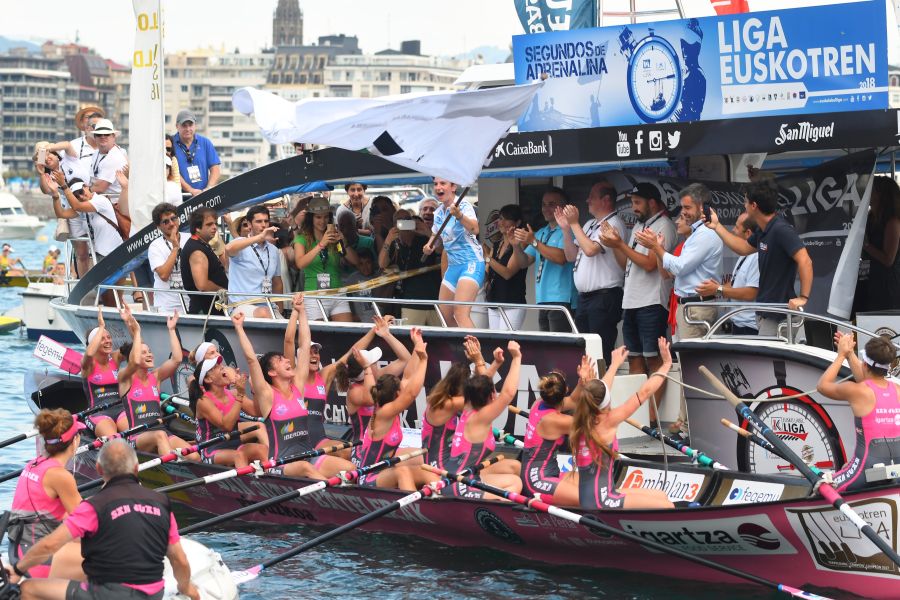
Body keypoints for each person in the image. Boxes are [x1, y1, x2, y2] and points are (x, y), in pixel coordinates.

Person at [6, 439, 200, 600]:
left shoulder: (94, 506)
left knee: (28, 589)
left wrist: (19, 569)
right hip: (152, 593)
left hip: (108, 594)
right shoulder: (162, 502)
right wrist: (187, 588)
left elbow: (50, 545)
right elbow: (179, 559)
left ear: (98, 469)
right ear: (136, 468)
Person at [233, 301, 350, 479]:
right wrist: (239, 328)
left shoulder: (298, 389)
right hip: (281, 463)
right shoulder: (267, 394)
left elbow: (304, 346)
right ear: (271, 372)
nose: (288, 361)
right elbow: (251, 360)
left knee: (350, 468)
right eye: (281, 360)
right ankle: (329, 493)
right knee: (305, 469)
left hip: (308, 457)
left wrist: (301, 311)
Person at [600, 183, 675, 428]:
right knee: (634, 359)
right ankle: (635, 417)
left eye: (638, 203)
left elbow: (651, 264)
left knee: (653, 360)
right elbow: (626, 264)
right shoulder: (641, 226)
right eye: (632, 203)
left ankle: (652, 419)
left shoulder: (664, 226)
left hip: (652, 301)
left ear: (652, 202)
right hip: (631, 300)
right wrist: (615, 245)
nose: (633, 208)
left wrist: (620, 245)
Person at [571, 339, 675, 510]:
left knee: (661, 495)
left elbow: (601, 389)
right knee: (668, 506)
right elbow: (645, 391)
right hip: (602, 502)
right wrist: (666, 364)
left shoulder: (580, 418)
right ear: (606, 400)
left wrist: (614, 365)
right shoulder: (609, 420)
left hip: (594, 497)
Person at [705, 179, 812, 335]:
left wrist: (803, 297)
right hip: (766, 312)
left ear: (754, 206)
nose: (744, 205)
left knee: (770, 359)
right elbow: (742, 248)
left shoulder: (780, 229)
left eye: (746, 202)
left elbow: (805, 260)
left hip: (779, 315)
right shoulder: (763, 231)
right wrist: (717, 226)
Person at [636, 183, 722, 340]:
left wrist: (656, 247)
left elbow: (680, 268)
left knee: (692, 361)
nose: (683, 213)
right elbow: (670, 272)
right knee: (687, 360)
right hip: (690, 306)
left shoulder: (705, 233)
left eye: (687, 208)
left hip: (697, 307)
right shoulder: (698, 232)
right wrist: (658, 249)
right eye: (682, 208)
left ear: (702, 207)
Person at [8, 409, 85, 580]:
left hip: (16, 548)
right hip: (35, 558)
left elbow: (59, 512)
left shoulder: (33, 464)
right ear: (74, 441)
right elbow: (86, 520)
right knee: (111, 558)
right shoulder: (61, 476)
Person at [817, 333, 900, 491]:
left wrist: (841, 355)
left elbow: (822, 386)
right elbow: (869, 383)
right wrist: (850, 355)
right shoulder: (897, 390)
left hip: (866, 471)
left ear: (865, 365)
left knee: (822, 487)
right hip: (896, 470)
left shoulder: (856, 391)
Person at [442, 341, 524, 499]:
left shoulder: (467, 405)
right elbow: (508, 393)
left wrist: (484, 361)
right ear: (492, 396)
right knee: (514, 483)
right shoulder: (482, 417)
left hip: (454, 478)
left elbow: (481, 384)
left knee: (514, 466)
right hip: (459, 486)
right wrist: (516, 357)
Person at [557, 181, 626, 365]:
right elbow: (571, 256)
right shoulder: (589, 224)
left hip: (604, 296)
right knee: (584, 350)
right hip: (585, 298)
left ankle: (604, 388)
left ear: (606, 200)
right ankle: (589, 388)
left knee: (601, 349)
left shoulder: (613, 223)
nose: (587, 200)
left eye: (592, 197)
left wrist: (573, 224)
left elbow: (590, 250)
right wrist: (566, 229)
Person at [353, 328, 430, 491]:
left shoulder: (385, 405)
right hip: (369, 477)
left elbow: (409, 376)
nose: (404, 384)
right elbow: (411, 393)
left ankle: (444, 501)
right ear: (396, 394)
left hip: (385, 469)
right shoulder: (385, 412)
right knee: (403, 471)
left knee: (428, 464)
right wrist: (424, 361)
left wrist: (417, 346)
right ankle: (415, 509)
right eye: (401, 387)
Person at [117, 307, 197, 458]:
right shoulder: (124, 378)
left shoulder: (156, 376)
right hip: (136, 436)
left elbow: (177, 359)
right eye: (144, 352)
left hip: (160, 431)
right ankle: (172, 471)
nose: (149, 354)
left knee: (194, 456)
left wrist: (172, 329)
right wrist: (137, 331)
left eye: (149, 351)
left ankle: (181, 472)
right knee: (160, 436)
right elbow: (133, 362)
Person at [521, 357, 595, 506]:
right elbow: (596, 425)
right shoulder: (557, 421)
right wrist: (591, 387)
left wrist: (582, 383)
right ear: (566, 390)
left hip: (550, 473)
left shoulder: (538, 403)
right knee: (590, 499)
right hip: (537, 480)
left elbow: (573, 401)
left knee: (593, 484)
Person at [188, 351, 268, 468]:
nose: (222, 368)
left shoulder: (233, 393)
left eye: (220, 365)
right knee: (239, 456)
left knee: (263, 450)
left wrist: (253, 387)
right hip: (212, 449)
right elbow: (227, 426)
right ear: (208, 379)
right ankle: (247, 484)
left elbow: (258, 412)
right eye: (216, 367)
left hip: (235, 444)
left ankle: (275, 474)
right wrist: (240, 395)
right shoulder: (203, 401)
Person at [423, 178, 484, 328]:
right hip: (453, 266)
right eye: (436, 184)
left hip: (471, 263)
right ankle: (459, 349)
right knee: (445, 316)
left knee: (460, 313)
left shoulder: (463, 205)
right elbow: (435, 238)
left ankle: (477, 351)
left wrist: (459, 216)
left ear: (453, 187)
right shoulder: (438, 212)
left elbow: (475, 230)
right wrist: (429, 246)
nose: (438, 187)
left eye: (442, 183)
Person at [513, 187, 575, 332]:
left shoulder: (569, 230)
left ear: (563, 208)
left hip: (562, 299)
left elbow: (562, 258)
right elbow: (524, 263)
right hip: (543, 298)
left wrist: (534, 242)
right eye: (543, 204)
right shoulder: (542, 232)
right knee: (547, 347)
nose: (546, 208)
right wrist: (516, 246)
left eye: (551, 204)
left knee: (558, 349)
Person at [695, 212, 759, 335]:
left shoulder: (757, 257)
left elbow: (751, 293)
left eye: (737, 227)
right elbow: (736, 283)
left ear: (748, 233)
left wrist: (719, 290)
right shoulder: (745, 254)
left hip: (750, 326)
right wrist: (716, 288)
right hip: (739, 322)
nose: (733, 230)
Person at [293, 197, 356, 321]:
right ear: (311, 218)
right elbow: (300, 264)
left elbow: (355, 261)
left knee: (346, 334)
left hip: (337, 292)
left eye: (326, 217)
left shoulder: (334, 236)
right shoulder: (301, 239)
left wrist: (343, 241)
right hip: (314, 295)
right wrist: (321, 244)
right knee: (319, 338)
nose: (322, 221)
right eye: (318, 217)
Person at [379, 212, 442, 327]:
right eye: (400, 221)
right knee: (411, 339)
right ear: (394, 225)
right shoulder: (394, 242)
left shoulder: (424, 239)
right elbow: (382, 264)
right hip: (410, 301)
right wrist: (388, 240)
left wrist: (428, 232)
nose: (404, 223)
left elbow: (441, 251)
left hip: (434, 300)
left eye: (407, 219)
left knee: (439, 339)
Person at [225, 205, 282, 318]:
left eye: (266, 221)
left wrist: (280, 310)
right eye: (258, 221)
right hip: (241, 305)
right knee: (264, 313)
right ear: (249, 224)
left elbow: (277, 283)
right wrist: (259, 238)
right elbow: (228, 249)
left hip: (268, 306)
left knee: (294, 323)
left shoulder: (273, 250)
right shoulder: (241, 242)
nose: (263, 225)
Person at [50, 177, 121, 261]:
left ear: (86, 186)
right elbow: (61, 214)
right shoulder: (83, 208)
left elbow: (76, 206)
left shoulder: (100, 200)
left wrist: (64, 186)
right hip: (100, 254)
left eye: (81, 192)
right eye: (76, 196)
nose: (81, 196)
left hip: (114, 251)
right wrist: (55, 196)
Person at [81, 309, 124, 437]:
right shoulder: (87, 364)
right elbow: (89, 353)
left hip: (120, 408)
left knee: (135, 432)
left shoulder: (115, 358)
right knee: (114, 440)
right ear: (93, 343)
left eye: (109, 337)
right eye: (102, 339)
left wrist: (132, 326)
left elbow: (137, 350)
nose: (108, 341)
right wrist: (101, 327)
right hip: (98, 413)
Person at [485, 204, 528, 331]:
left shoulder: (521, 243)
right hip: (494, 301)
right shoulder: (497, 244)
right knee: (496, 343)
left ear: (518, 222)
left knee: (506, 342)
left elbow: (508, 273)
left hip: (512, 303)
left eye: (506, 218)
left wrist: (487, 258)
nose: (501, 222)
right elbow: (487, 274)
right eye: (500, 218)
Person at [181, 207, 228, 315]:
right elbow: (202, 285)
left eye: (215, 223)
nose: (215, 227)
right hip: (207, 310)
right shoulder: (197, 251)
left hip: (212, 307)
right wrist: (224, 291)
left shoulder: (201, 245)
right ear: (197, 228)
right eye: (209, 224)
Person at [862, 176, 900, 311]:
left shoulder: (892, 221)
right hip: (872, 279)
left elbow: (888, 259)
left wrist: (866, 245)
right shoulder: (871, 218)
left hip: (888, 284)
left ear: (880, 194)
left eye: (871, 191)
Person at [148, 203, 190, 313]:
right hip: (167, 306)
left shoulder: (190, 238)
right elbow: (164, 275)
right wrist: (175, 248)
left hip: (191, 302)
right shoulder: (155, 246)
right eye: (166, 221)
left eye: (173, 218)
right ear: (158, 226)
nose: (171, 223)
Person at [173, 109, 220, 197]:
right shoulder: (170, 144)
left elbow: (215, 169)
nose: (187, 129)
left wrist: (208, 189)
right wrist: (190, 190)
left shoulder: (205, 142)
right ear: (177, 126)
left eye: (190, 125)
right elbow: (173, 172)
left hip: (203, 196)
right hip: (181, 196)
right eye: (184, 125)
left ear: (195, 126)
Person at [87, 119, 128, 198]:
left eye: (106, 134)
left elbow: (100, 187)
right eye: (99, 135)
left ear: (113, 137)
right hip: (100, 199)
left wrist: (81, 192)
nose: (103, 137)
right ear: (95, 138)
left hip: (114, 203)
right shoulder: (96, 153)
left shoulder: (115, 157)